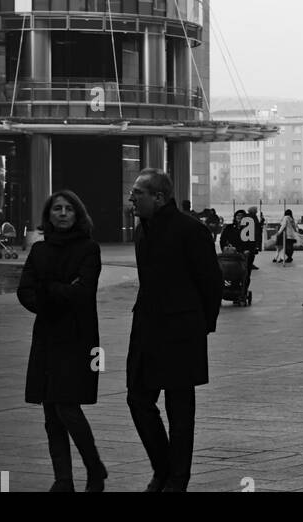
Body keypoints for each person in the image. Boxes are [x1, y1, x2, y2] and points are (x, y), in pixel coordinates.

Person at [126, 169, 223, 492]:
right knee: (138, 400)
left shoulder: (190, 231)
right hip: (146, 330)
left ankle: (176, 479)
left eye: (138, 192)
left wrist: (201, 325)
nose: (132, 198)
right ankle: (163, 468)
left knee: (180, 411)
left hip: (182, 331)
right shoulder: (142, 231)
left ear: (159, 197)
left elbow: (210, 282)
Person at [17, 190, 107, 492]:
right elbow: (25, 291)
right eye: (58, 208)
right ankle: (63, 479)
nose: (63, 213)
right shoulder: (39, 250)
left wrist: (48, 291)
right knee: (50, 411)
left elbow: (83, 293)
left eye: (69, 208)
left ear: (78, 214)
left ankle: (94, 467)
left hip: (78, 337)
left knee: (67, 406)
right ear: (49, 215)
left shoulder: (89, 249)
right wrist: (57, 292)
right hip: (46, 335)